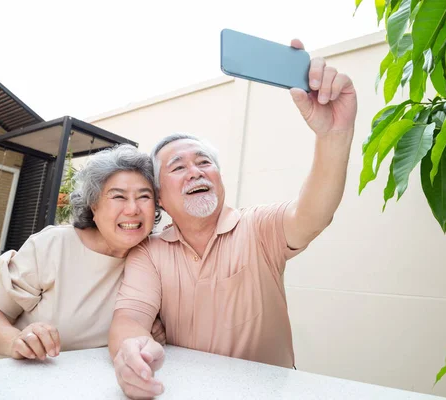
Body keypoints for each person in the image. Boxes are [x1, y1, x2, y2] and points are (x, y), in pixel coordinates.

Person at [109, 38, 357, 399]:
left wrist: (334, 135)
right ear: (160, 196)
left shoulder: (258, 227)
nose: (196, 172)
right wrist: (131, 352)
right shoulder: (149, 253)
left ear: (220, 178)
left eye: (204, 162)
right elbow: (130, 319)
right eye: (179, 167)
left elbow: (313, 213)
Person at [0, 144, 164, 362]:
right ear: (93, 205)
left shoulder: (153, 257)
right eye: (118, 197)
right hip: (6, 375)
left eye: (144, 196)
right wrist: (16, 340)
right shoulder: (53, 245)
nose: (132, 209)